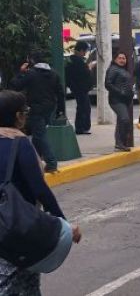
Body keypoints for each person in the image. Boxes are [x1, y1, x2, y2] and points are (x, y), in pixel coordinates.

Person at [0, 91, 82, 294]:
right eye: (25, 111)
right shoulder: (19, 144)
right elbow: (40, 190)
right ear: (18, 116)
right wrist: (64, 224)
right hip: (16, 228)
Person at [10, 51, 66, 172]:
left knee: (40, 135)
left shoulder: (31, 74)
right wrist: (60, 110)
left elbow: (16, 85)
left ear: (32, 61)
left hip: (36, 108)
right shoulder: (54, 74)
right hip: (50, 108)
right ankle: (35, 160)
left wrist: (21, 72)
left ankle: (51, 163)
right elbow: (60, 93)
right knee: (38, 134)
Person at [104, 51, 135, 152]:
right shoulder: (113, 69)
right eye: (120, 58)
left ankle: (119, 143)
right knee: (124, 119)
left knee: (121, 120)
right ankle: (120, 142)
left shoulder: (122, 70)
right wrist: (120, 92)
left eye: (124, 58)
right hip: (116, 100)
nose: (122, 60)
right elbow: (108, 84)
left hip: (124, 100)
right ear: (115, 59)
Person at [65, 41, 92, 135]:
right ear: (80, 50)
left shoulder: (73, 60)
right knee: (83, 108)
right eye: (84, 51)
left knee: (84, 107)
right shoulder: (77, 61)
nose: (85, 54)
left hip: (78, 88)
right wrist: (89, 68)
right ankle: (81, 127)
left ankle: (82, 127)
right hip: (80, 88)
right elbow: (83, 74)